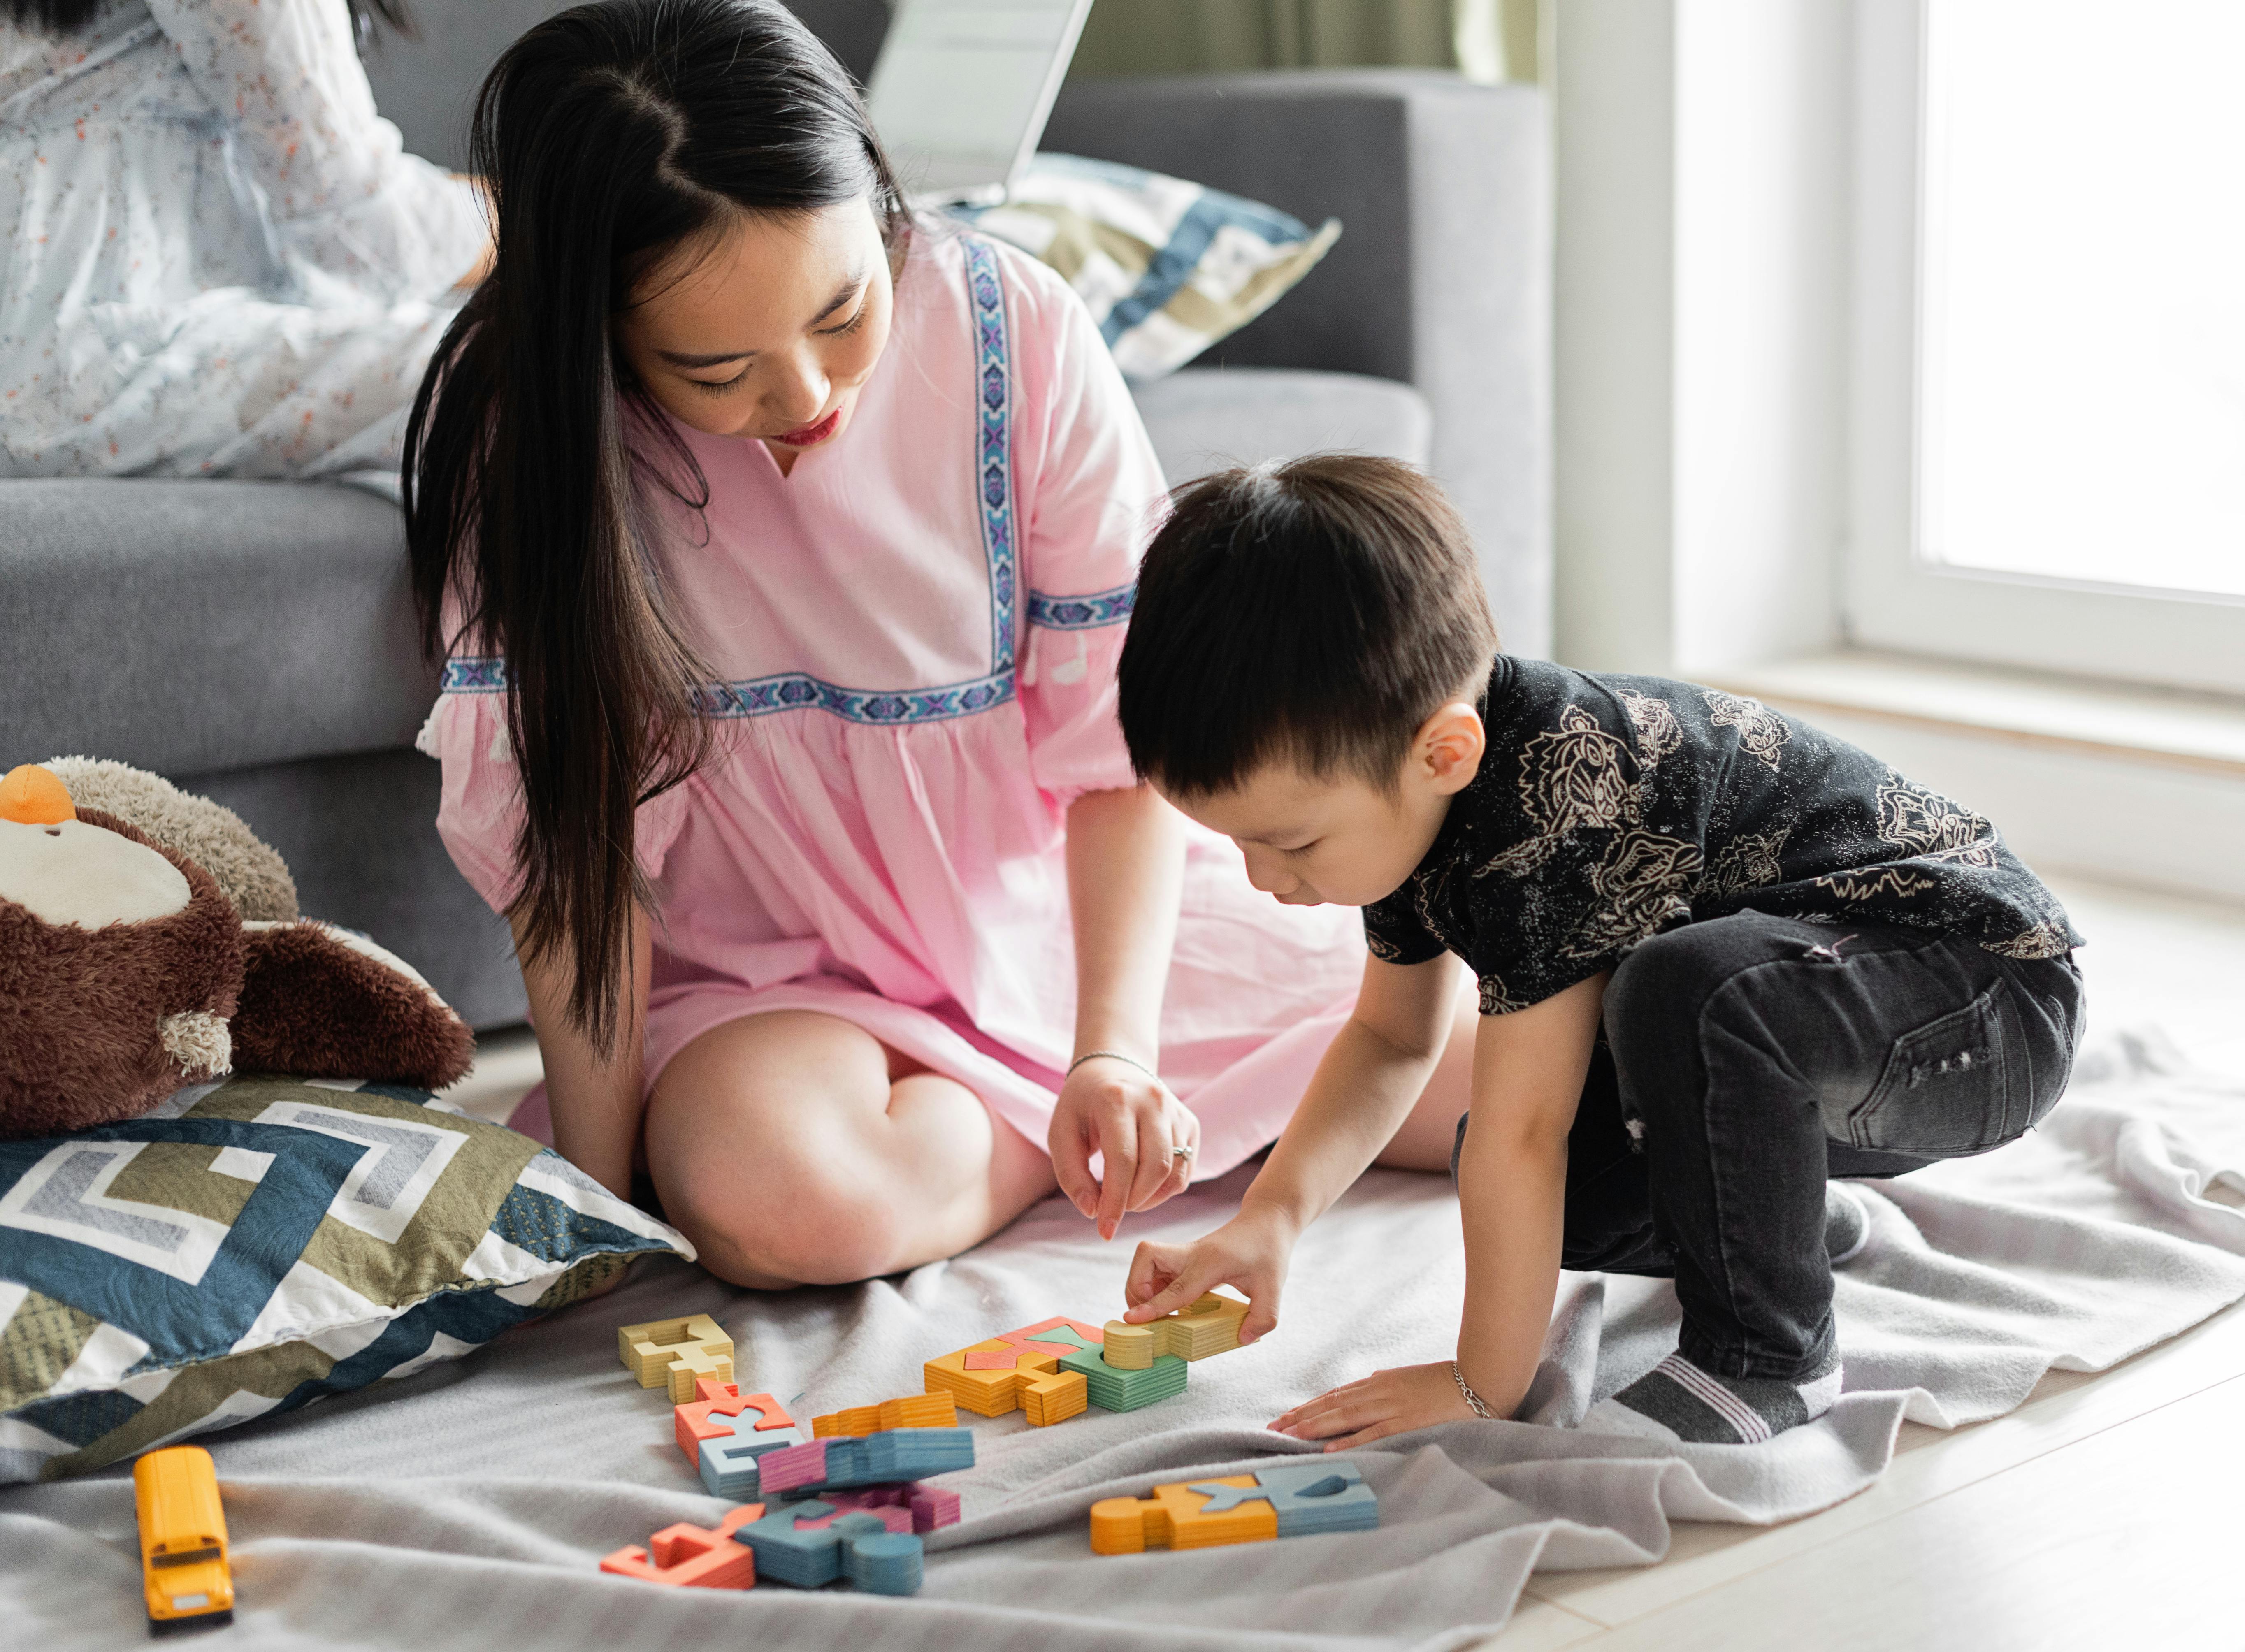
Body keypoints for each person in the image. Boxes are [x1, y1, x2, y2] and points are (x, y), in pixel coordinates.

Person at [406, 0, 1472, 1289]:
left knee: (1513, 1064)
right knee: (785, 1205)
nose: (804, 397)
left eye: (842, 311)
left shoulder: (1013, 325)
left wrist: (1112, 1053)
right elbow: (576, 861)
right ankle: (1061, 1140)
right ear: (602, 342)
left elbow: (1114, 759)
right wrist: (592, 1196)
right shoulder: (530, 443)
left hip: (1076, 930)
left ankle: (1069, 1113)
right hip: (777, 989)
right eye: (716, 369)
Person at [1111, 455, 2087, 1446]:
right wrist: (1268, 1216)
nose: (1261, 877)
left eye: (1290, 840)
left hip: (1983, 999)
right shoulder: (1418, 795)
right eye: (1233, 840)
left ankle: (1769, 1353)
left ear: (1443, 751)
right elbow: (1392, 1038)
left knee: (1674, 1002)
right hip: (1841, 1024)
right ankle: (1779, 1234)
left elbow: (1518, 1131)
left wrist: (1482, 1381)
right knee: (1562, 1180)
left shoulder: (1551, 805)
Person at [0, 0, 492, 478]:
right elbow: (358, 229)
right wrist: (540, 215)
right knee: (521, 365)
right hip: (81, 357)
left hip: (63, 338)